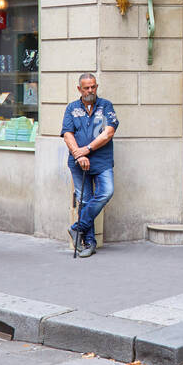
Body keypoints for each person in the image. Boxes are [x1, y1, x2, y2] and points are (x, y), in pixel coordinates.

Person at [61, 72, 119, 258]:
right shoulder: (72, 108)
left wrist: (87, 149)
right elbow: (68, 134)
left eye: (93, 86)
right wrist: (79, 155)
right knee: (85, 200)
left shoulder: (105, 106)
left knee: (106, 192)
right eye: (86, 87)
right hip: (78, 162)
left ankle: (77, 228)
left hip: (101, 161)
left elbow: (108, 132)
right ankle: (89, 243)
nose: (90, 90)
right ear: (79, 89)